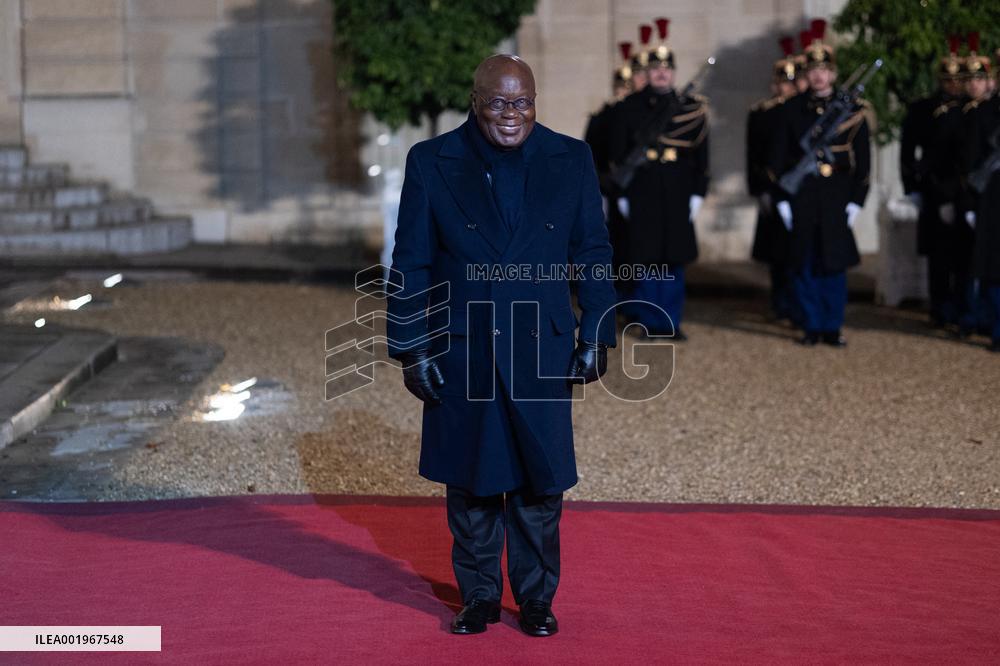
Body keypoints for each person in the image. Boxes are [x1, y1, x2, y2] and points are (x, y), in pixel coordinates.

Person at [385, 54, 618, 636]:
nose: (512, 115)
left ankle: (536, 599)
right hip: (464, 346)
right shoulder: (431, 161)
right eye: (499, 103)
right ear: (475, 100)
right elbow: (410, 261)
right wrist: (412, 345)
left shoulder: (571, 158)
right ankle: (481, 596)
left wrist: (597, 331)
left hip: (543, 345)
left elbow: (591, 250)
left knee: (540, 480)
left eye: (523, 103)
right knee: (471, 479)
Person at [768, 19, 872, 347]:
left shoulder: (852, 111)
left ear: (834, 73)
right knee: (805, 262)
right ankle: (811, 324)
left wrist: (857, 200)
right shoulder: (790, 110)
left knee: (834, 264)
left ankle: (832, 325)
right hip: (802, 194)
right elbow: (776, 158)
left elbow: (864, 161)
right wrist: (782, 199)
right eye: (813, 70)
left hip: (837, 193)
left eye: (825, 69)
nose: (818, 75)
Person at [609, 16, 709, 340]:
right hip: (642, 189)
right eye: (655, 69)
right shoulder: (628, 108)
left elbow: (701, 156)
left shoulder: (690, 108)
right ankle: (650, 321)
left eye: (667, 68)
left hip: (678, 188)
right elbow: (616, 154)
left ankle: (671, 322)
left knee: (673, 259)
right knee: (646, 259)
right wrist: (620, 194)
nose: (661, 73)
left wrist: (698, 193)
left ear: (674, 72)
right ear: (647, 72)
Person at [899, 36, 966, 328]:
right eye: (947, 79)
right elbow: (908, 151)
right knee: (938, 256)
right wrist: (911, 188)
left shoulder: (970, 109)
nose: (953, 84)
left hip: (964, 188)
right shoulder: (922, 109)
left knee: (965, 255)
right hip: (934, 187)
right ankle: (941, 309)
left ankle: (965, 311)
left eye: (957, 79)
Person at [749, 36, 803, 323]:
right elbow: (754, 156)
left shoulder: (803, 111)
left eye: (791, 82)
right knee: (776, 253)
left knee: (798, 252)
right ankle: (781, 302)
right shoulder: (762, 114)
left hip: (801, 189)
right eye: (783, 81)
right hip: (773, 187)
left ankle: (797, 305)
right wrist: (761, 190)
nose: (787, 87)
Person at [959, 36, 999, 350]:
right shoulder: (984, 114)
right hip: (993, 200)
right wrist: (971, 204)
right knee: (994, 269)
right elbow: (970, 165)